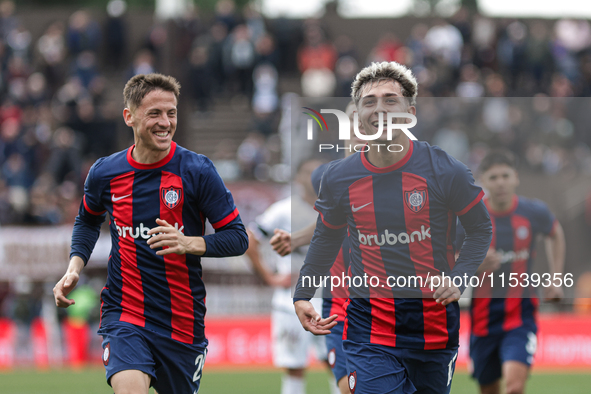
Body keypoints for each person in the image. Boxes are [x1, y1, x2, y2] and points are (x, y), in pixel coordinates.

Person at [293, 61, 493, 394]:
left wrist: (459, 277)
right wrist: (302, 294)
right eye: (369, 102)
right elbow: (325, 240)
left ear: (409, 112)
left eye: (390, 100)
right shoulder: (339, 177)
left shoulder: (445, 169)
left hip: (434, 329)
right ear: (357, 117)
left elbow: (480, 229)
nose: (380, 109)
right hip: (368, 330)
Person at [53, 73, 248, 394]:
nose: (165, 122)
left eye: (171, 113)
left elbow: (237, 237)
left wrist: (190, 243)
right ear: (129, 116)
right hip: (124, 313)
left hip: (182, 321)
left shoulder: (197, 170)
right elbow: (87, 221)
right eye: (154, 113)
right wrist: (74, 267)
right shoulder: (106, 173)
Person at [270, 100, 363, 394]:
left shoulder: (394, 179)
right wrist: (296, 239)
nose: (361, 133)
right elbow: (330, 222)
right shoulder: (333, 177)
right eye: (355, 126)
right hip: (338, 308)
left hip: (383, 307)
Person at [457, 150, 565, 394]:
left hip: (521, 317)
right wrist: (472, 262)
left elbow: (556, 233)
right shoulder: (469, 219)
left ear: (516, 177)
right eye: (493, 177)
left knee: (514, 387)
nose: (501, 182)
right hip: (483, 321)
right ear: (482, 180)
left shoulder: (533, 212)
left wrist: (555, 278)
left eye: (505, 175)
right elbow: (443, 257)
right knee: (489, 389)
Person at [245, 158, 339, 394]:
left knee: (338, 366)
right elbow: (250, 240)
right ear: (298, 178)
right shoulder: (283, 209)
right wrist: (269, 277)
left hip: (332, 300)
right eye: (308, 172)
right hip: (291, 303)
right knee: (294, 367)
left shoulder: (337, 210)